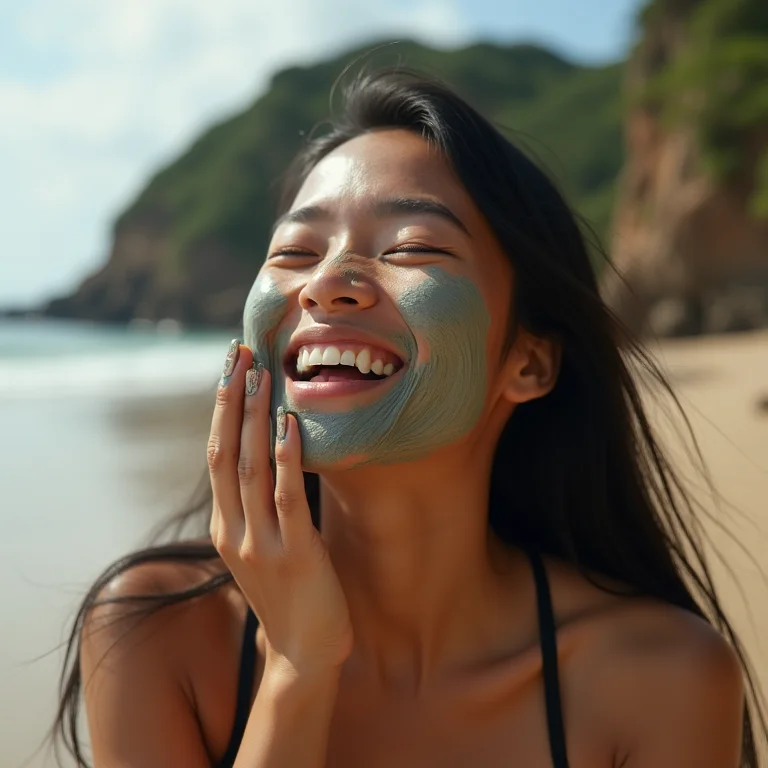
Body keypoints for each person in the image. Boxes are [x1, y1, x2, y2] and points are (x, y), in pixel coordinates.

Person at [50, 68, 764, 767]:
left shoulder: (660, 678)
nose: (327, 284)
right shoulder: (154, 633)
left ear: (528, 362)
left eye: (412, 248)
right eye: (294, 252)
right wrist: (298, 669)